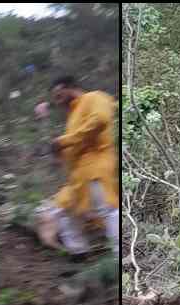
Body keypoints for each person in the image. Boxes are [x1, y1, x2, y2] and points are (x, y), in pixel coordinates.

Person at [44, 75, 120, 256]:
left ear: (69, 87)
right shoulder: (73, 114)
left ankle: (121, 256)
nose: (57, 101)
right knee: (64, 209)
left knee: (108, 209)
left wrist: (64, 141)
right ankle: (78, 252)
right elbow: (75, 144)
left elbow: (100, 120)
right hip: (78, 176)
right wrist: (60, 153)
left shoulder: (95, 97)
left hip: (97, 168)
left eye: (59, 95)